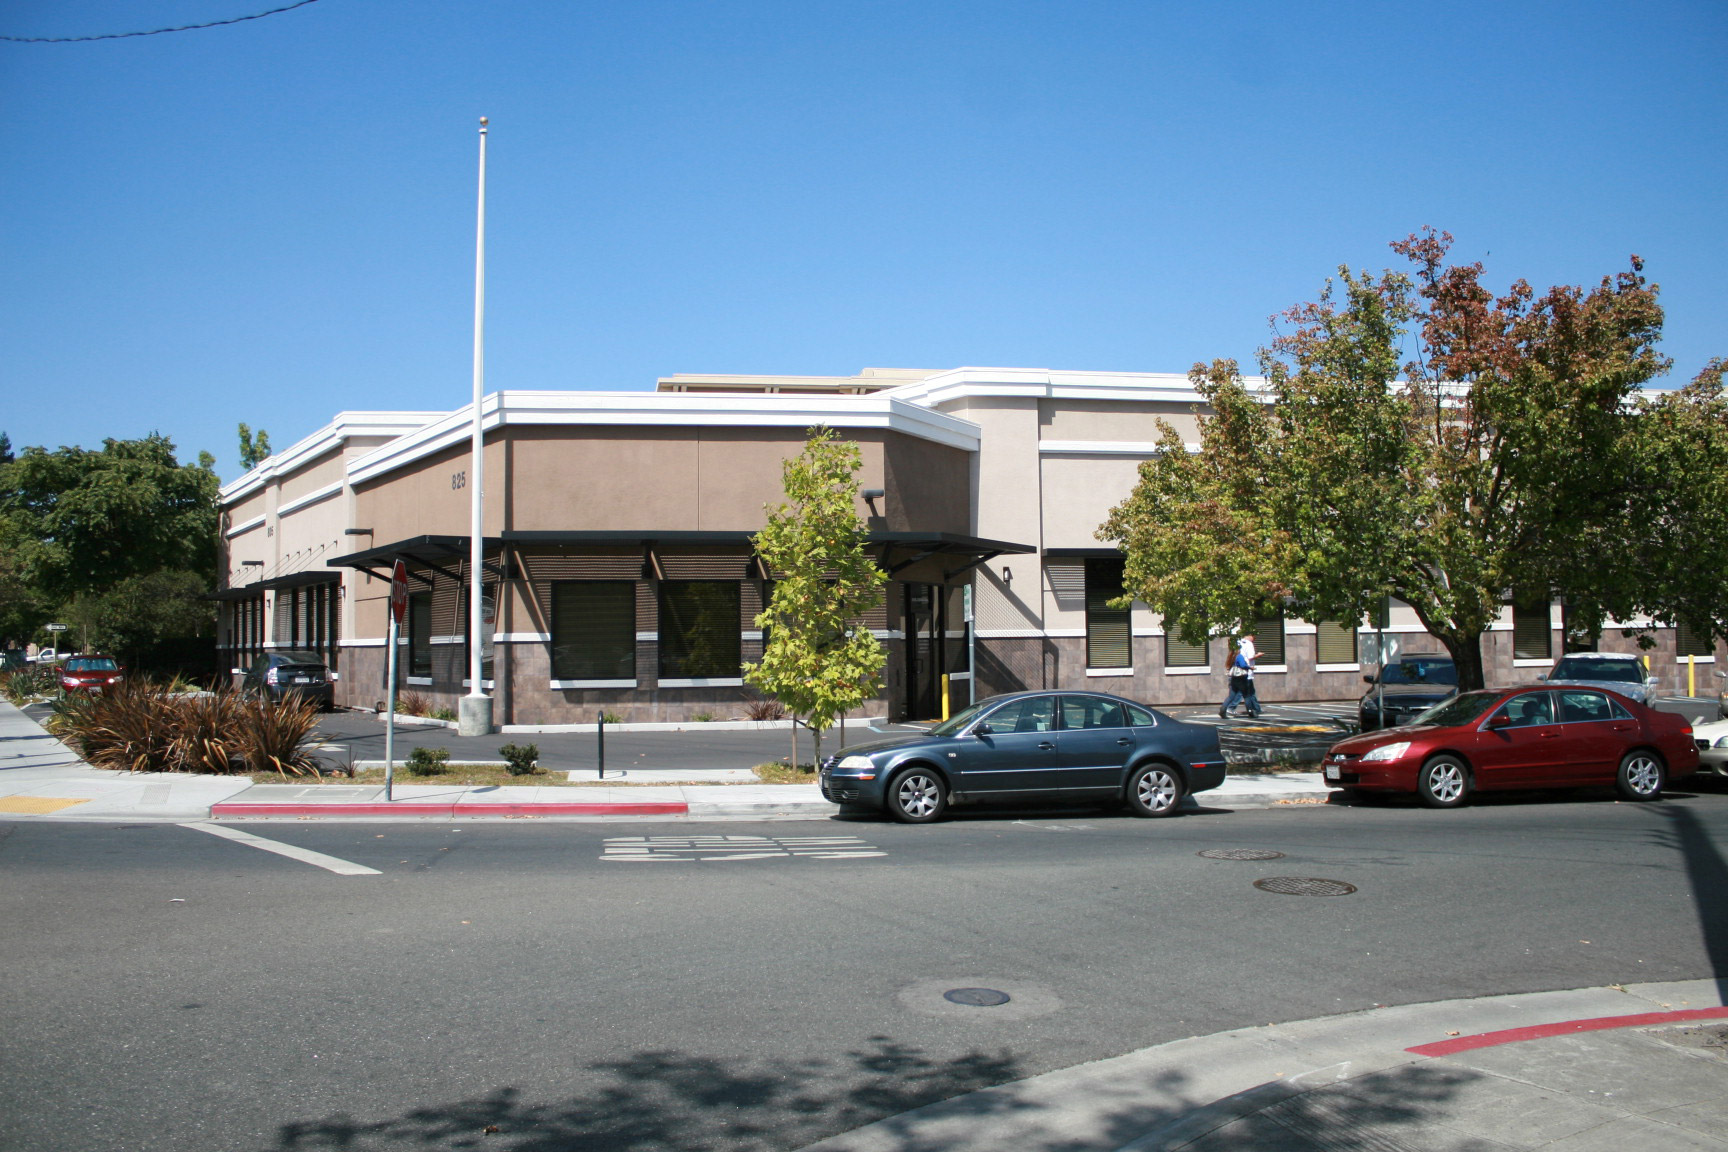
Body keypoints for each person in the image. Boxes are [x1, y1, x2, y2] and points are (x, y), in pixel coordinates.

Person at [1220, 631, 1261, 718]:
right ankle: (1250, 711)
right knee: (1247, 695)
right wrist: (1249, 668)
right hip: (1241, 678)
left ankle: (1222, 710)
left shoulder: (1231, 656)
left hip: (1233, 678)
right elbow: (1242, 665)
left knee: (1231, 696)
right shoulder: (1239, 656)